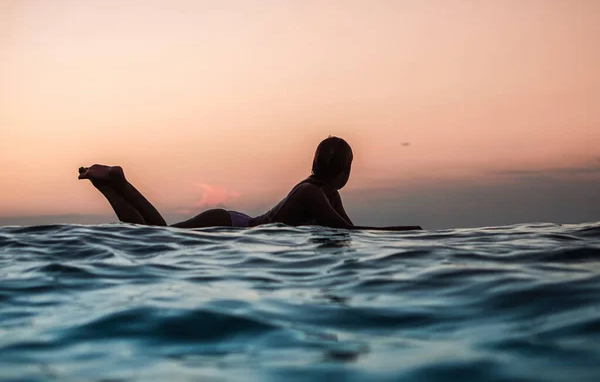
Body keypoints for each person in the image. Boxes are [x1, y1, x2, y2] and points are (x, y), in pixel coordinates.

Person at [78, 136, 421, 231]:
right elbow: (351, 232)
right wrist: (403, 232)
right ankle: (114, 185)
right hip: (230, 226)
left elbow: (344, 229)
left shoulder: (323, 192)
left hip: (234, 224)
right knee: (156, 237)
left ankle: (115, 184)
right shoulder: (312, 193)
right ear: (345, 170)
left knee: (159, 235)